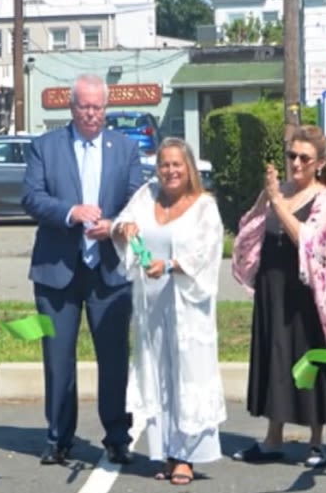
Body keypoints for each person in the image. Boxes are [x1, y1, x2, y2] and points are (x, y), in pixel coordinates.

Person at [21, 73, 148, 467]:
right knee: (58, 359)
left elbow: (137, 201)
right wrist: (70, 212)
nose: (91, 114)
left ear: (105, 108)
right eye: (84, 107)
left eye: (97, 107)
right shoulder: (45, 147)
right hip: (56, 272)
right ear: (71, 107)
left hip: (108, 271)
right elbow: (32, 198)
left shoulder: (124, 148)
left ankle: (116, 436)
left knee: (113, 359)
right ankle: (59, 437)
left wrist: (110, 224)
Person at [229, 125, 326, 468]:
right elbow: (250, 225)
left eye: (304, 158)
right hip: (273, 287)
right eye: (291, 156)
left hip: (308, 293)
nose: (295, 163)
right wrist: (266, 194)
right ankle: (272, 438)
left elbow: (308, 240)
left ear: (320, 163)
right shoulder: (279, 190)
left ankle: (316, 442)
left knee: (309, 359)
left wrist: (279, 203)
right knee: (275, 359)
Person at [110, 138, 226, 485]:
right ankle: (163, 451)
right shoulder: (147, 195)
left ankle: (186, 456)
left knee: (187, 375)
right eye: (164, 165)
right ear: (156, 168)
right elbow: (121, 224)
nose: (171, 171)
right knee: (157, 375)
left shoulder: (205, 206)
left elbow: (207, 252)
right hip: (152, 304)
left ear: (188, 167)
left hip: (188, 305)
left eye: (177, 165)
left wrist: (173, 265)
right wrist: (124, 229)